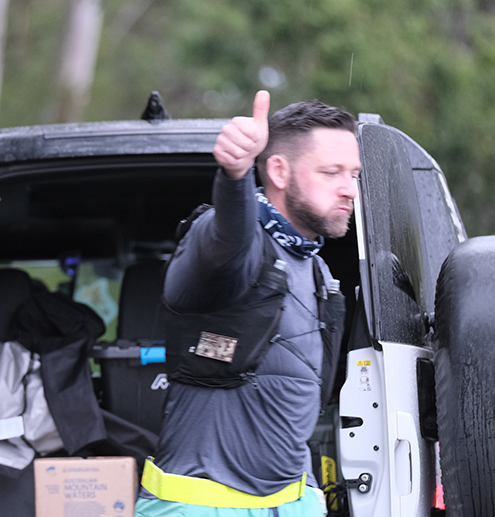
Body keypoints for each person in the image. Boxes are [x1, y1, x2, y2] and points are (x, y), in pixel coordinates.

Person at [135, 90, 360, 516]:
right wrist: (235, 177)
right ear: (278, 170)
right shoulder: (231, 246)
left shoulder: (318, 273)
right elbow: (229, 238)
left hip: (295, 501)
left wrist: (309, 498)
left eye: (354, 174)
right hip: (200, 506)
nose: (349, 189)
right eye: (332, 172)